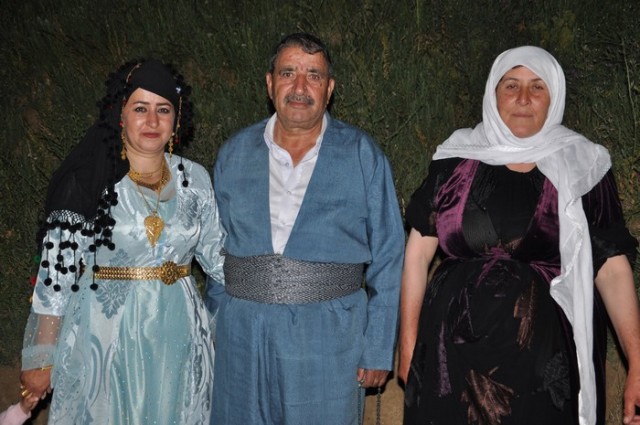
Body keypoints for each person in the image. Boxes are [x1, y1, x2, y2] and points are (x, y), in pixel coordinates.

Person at [398, 46, 640, 425]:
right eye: (511, 85)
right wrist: (409, 345)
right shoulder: (455, 159)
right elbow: (416, 255)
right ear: (493, 94)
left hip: (541, 363)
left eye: (537, 87)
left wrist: (637, 361)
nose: (523, 98)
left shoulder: (583, 165)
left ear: (554, 97)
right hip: (448, 359)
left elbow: (610, 268)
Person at [206, 32, 404, 424]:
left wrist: (379, 347)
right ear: (270, 84)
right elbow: (215, 248)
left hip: (330, 339)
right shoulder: (234, 153)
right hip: (242, 336)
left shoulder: (362, 154)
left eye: (313, 75)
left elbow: (389, 254)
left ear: (329, 89)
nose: (300, 87)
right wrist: (215, 323)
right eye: (288, 73)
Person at [20, 59, 225, 424]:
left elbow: (219, 260)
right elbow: (56, 277)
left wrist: (272, 282)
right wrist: (42, 356)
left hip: (179, 336)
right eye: (140, 108)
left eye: (164, 110)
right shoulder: (88, 178)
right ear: (120, 113)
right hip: (103, 336)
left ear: (177, 119)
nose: (153, 121)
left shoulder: (195, 179)